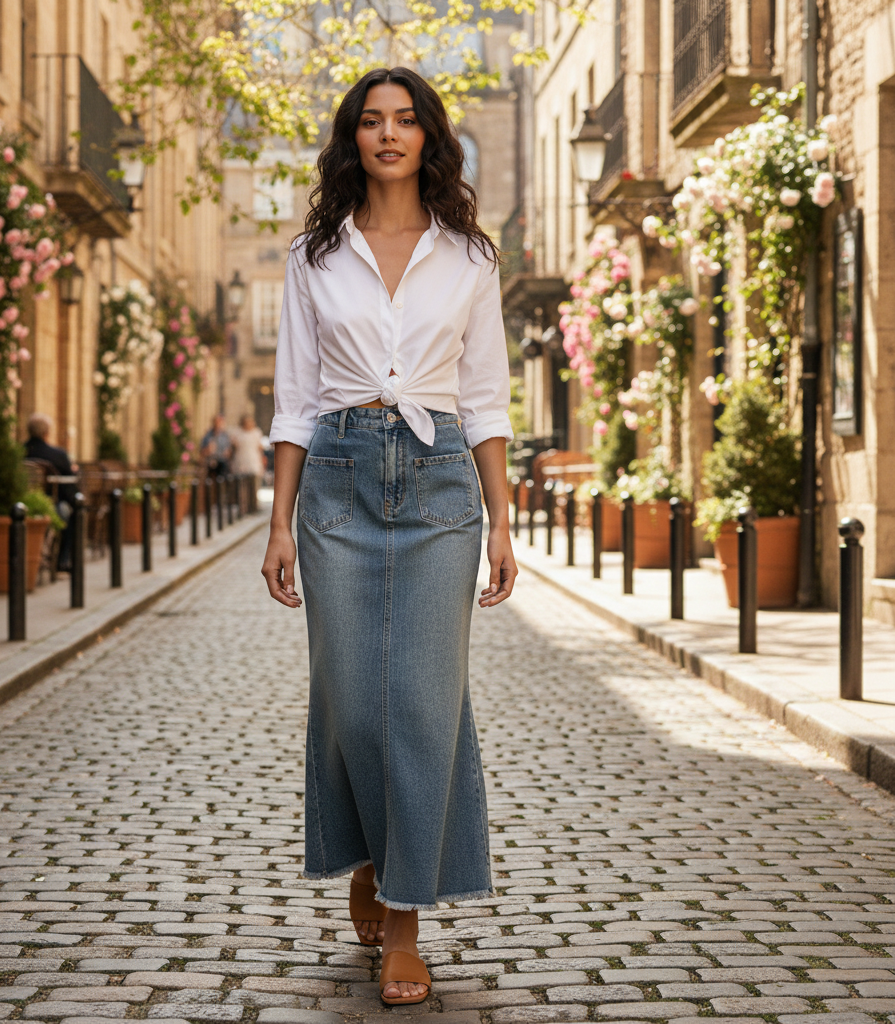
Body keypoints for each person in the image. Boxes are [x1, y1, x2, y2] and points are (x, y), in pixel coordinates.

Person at [260, 67, 517, 1007]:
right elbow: (294, 397)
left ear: (429, 136)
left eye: (406, 120)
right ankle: (368, 851)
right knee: (352, 703)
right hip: (336, 480)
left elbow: (485, 397)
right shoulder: (313, 257)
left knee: (419, 702)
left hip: (443, 480)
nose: (389, 134)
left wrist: (500, 521)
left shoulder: (469, 257)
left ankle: (404, 920)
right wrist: (279, 521)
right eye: (372, 121)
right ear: (352, 139)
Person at [24, 413, 76, 572]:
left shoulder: (19, 451)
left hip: (23, 504)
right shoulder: (58, 454)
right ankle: (63, 560)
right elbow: (69, 482)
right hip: (52, 505)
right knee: (72, 512)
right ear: (47, 432)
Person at [230, 414, 267, 481]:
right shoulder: (237, 432)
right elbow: (233, 447)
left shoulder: (256, 432)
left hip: (253, 460)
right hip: (241, 459)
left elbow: (260, 448)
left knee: (253, 480)